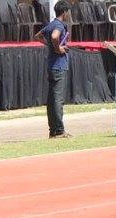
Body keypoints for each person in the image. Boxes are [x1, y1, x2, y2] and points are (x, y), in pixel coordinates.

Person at [39, 0, 71, 139]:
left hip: (52, 66)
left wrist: (50, 46)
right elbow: (54, 36)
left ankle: (53, 130)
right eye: (68, 12)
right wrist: (58, 49)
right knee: (58, 99)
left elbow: (38, 36)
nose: (69, 14)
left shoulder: (51, 24)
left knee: (52, 99)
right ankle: (58, 130)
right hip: (59, 66)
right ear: (64, 12)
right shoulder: (59, 25)